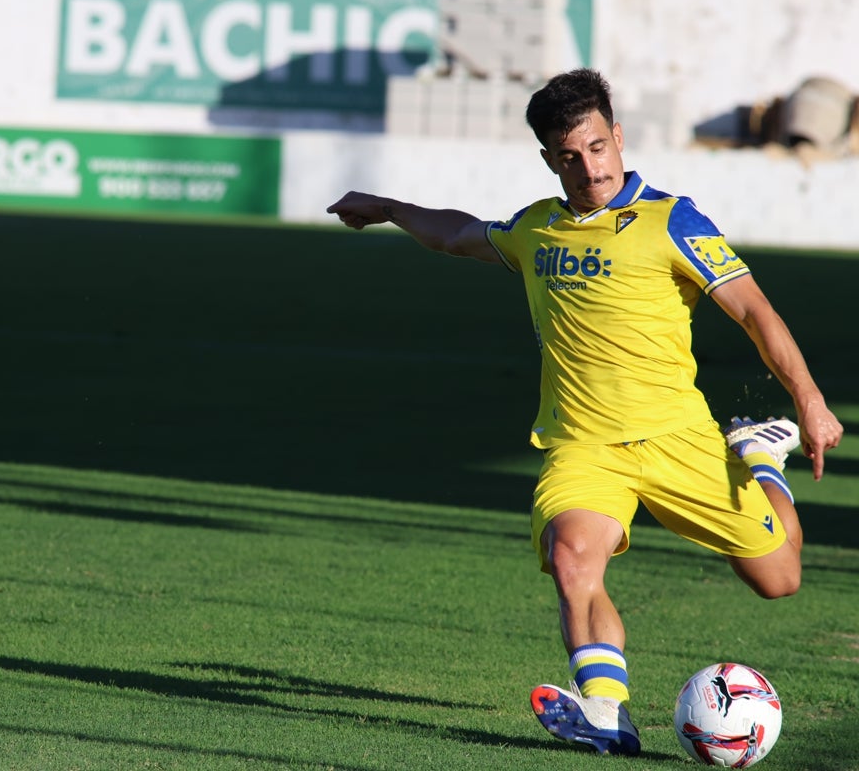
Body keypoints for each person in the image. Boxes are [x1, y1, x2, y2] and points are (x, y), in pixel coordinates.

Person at [326, 68, 844, 756]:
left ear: (618, 137)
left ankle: (759, 454)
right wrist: (389, 207)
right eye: (570, 156)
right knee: (573, 556)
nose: (589, 167)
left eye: (598, 147)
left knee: (779, 579)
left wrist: (809, 402)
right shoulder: (538, 230)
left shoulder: (671, 220)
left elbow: (755, 311)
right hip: (583, 448)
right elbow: (457, 234)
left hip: (679, 438)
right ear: (549, 159)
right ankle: (606, 712)